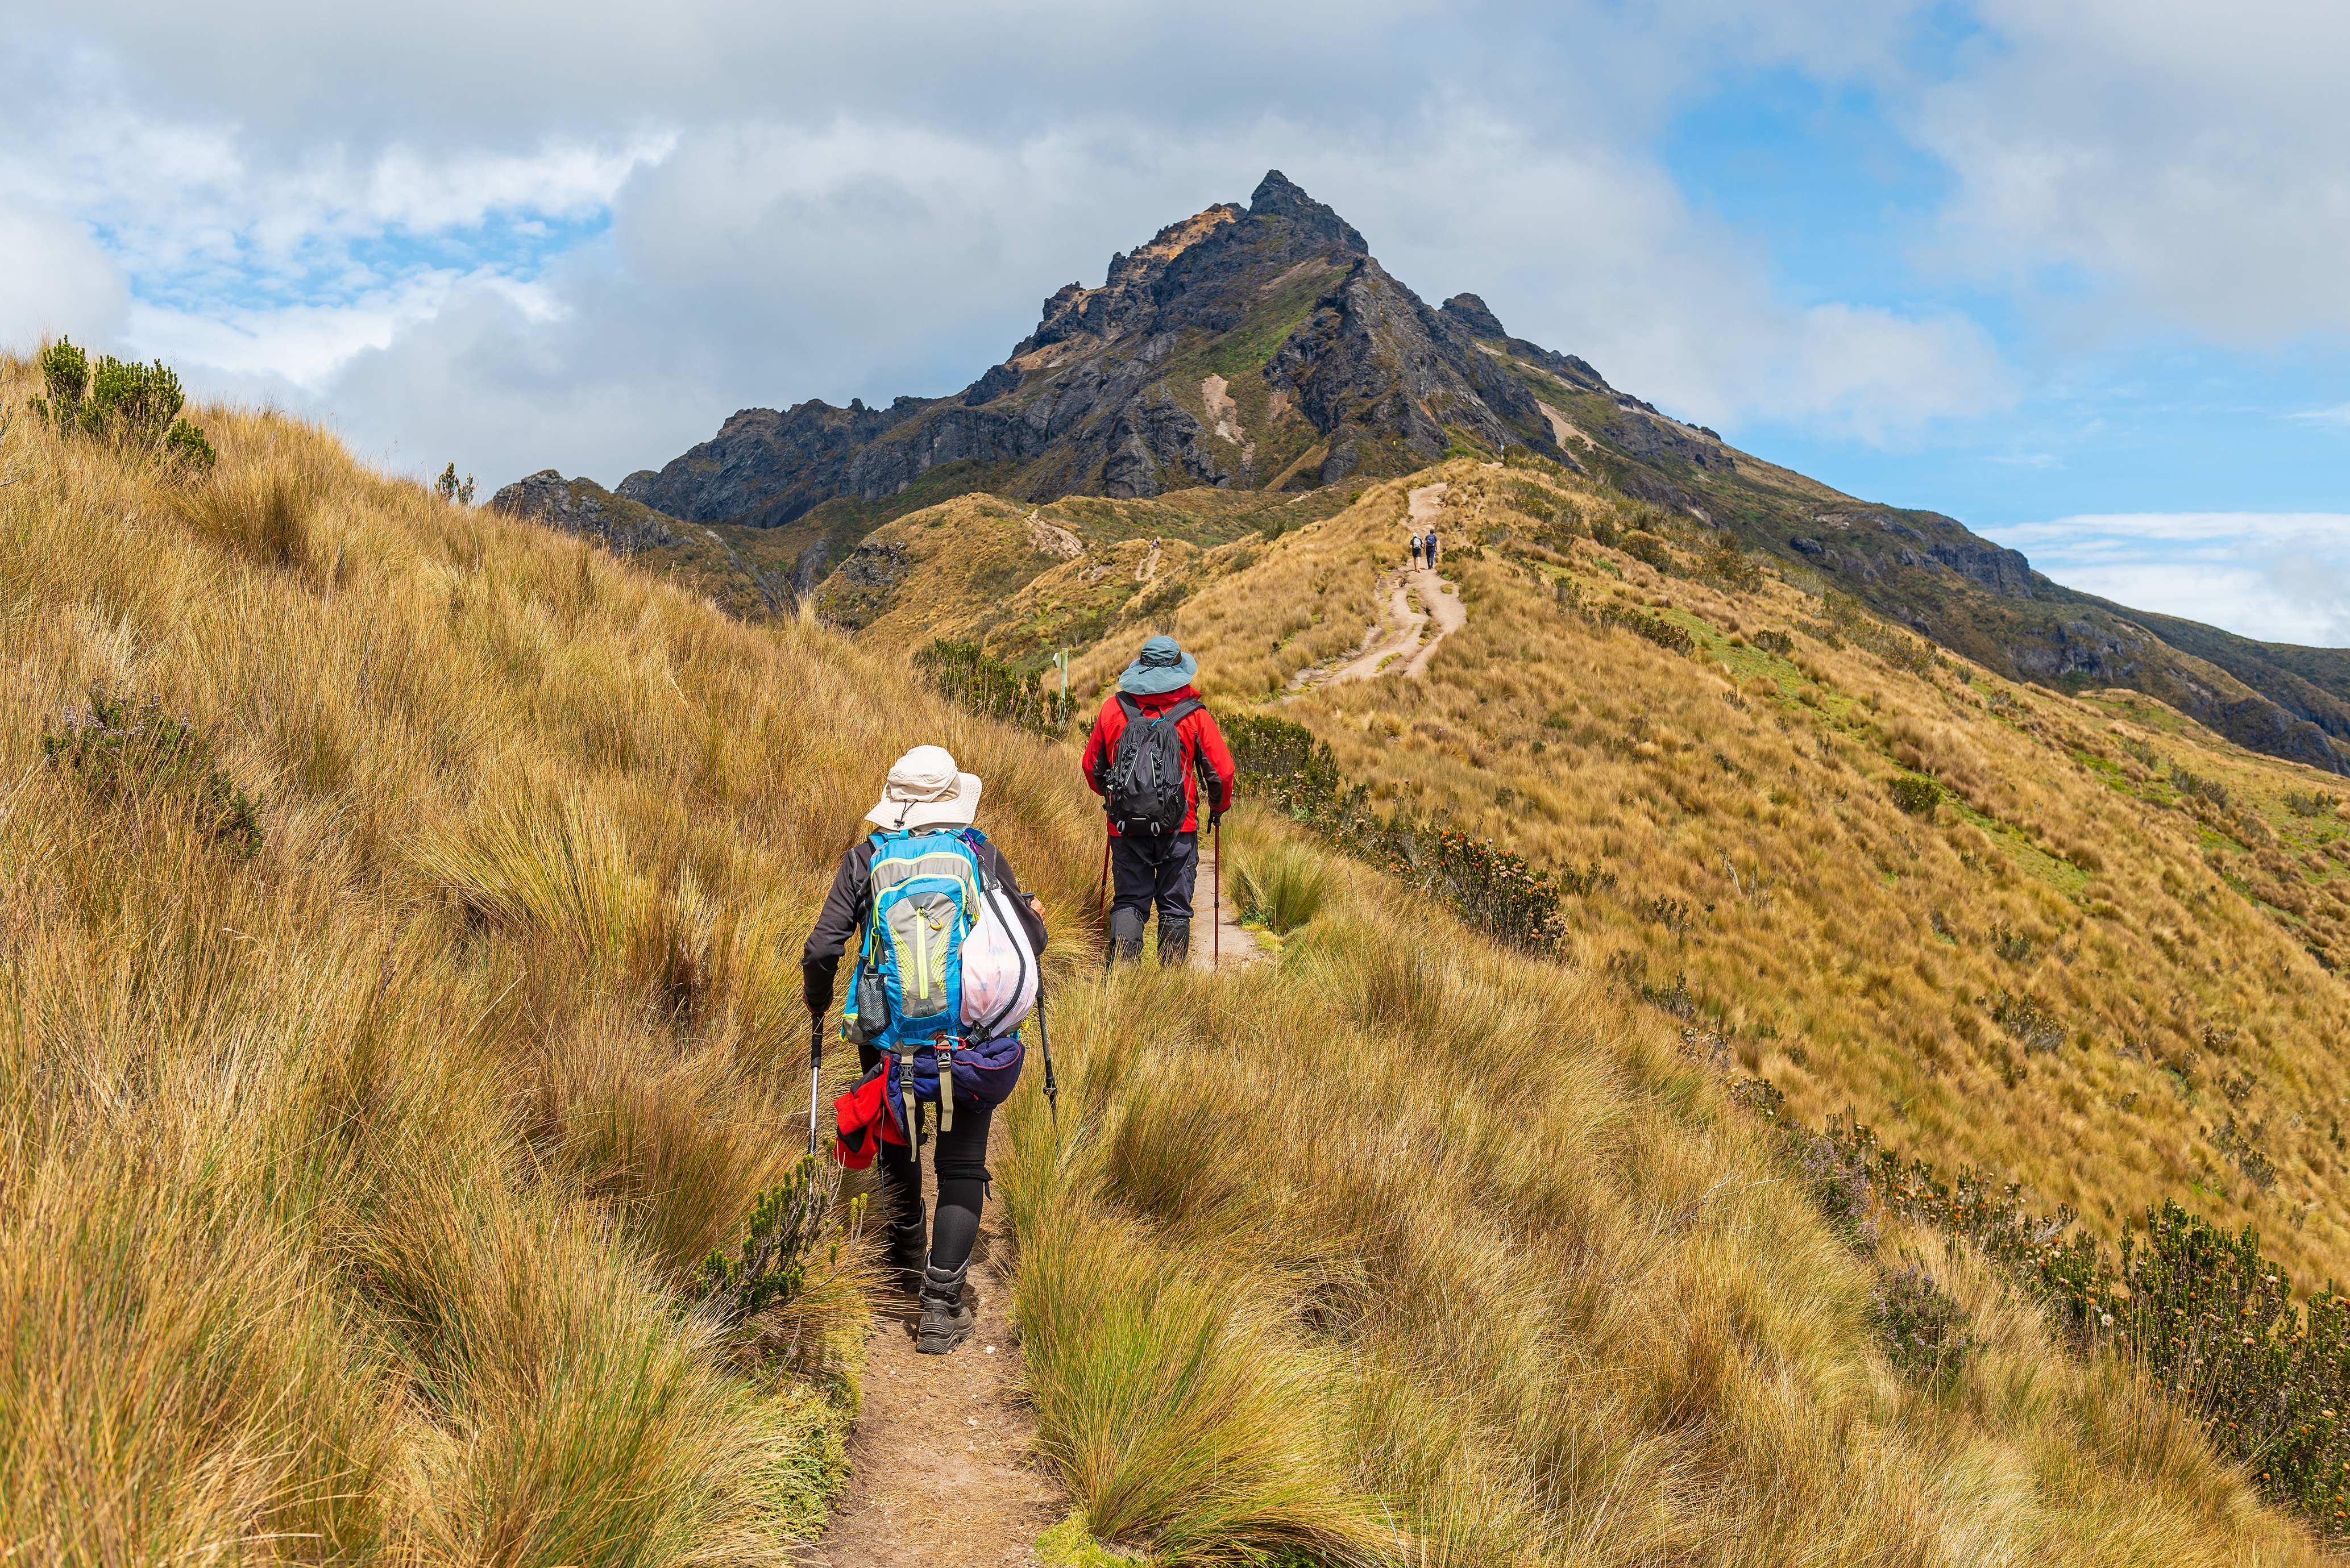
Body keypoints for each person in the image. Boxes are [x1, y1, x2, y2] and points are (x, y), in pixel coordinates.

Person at [802, 744, 1047, 1354]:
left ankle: (906, 1249)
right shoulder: (979, 854)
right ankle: (941, 1308)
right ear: (950, 803)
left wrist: (817, 1000)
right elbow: (1028, 940)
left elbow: (822, 947)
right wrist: (1036, 917)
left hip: (887, 1038)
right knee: (962, 1164)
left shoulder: (867, 858)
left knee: (900, 1140)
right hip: (967, 1040)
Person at [1080, 635, 1237, 965]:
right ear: (1178, 672)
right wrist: (1218, 808)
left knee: (1129, 900)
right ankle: (1169, 988)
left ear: (1141, 670)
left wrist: (1116, 800)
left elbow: (1092, 767)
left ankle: (1121, 982)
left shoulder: (1113, 709)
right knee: (1175, 906)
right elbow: (1221, 772)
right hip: (1180, 827)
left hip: (1125, 828)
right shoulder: (1195, 716)